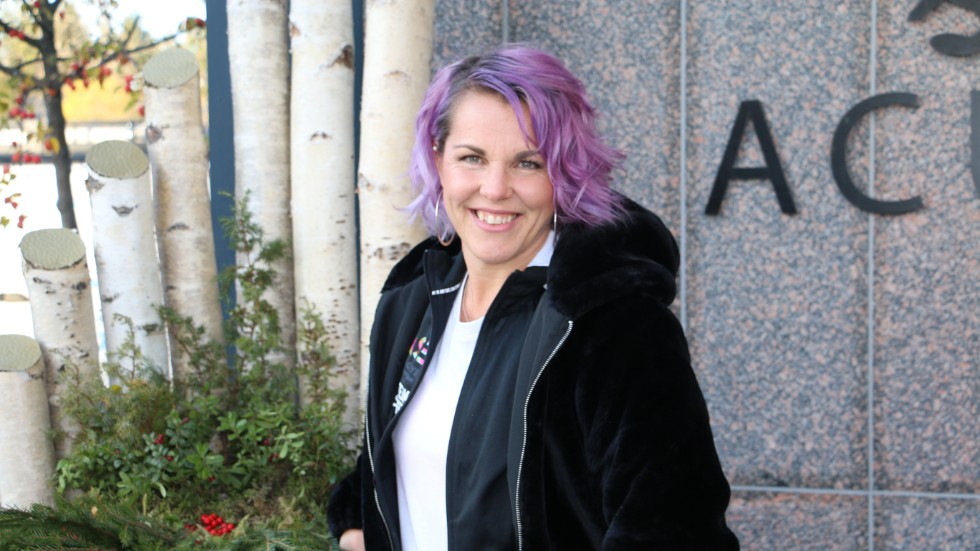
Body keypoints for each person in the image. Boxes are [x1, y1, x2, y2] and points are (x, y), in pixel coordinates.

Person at [327, 45, 739, 550]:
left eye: (528, 163)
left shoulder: (613, 322)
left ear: (564, 171)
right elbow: (403, 454)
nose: (495, 189)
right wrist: (354, 523)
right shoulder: (411, 300)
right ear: (439, 161)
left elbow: (677, 528)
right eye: (472, 158)